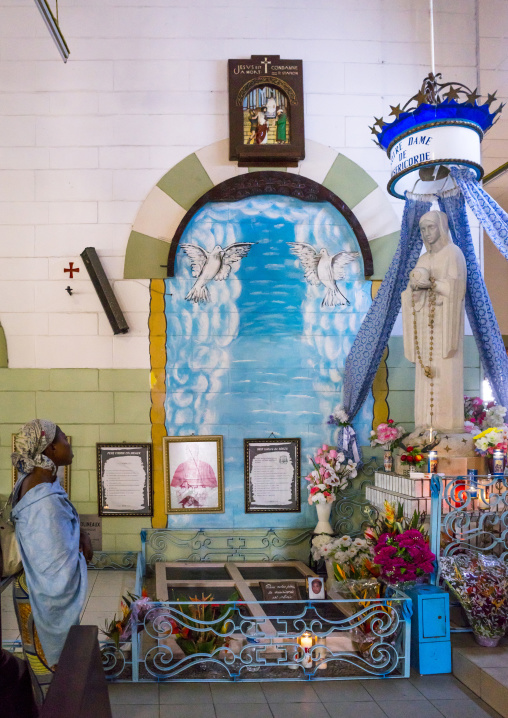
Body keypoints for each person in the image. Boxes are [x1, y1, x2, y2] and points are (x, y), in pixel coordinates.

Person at [10, 419, 92, 703]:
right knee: (52, 676)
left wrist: (79, 535)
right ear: (50, 448)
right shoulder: (43, 500)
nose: (70, 446)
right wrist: (81, 555)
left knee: (45, 670)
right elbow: (54, 575)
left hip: (30, 590)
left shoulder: (38, 483)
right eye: (65, 440)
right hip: (41, 598)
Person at [401, 211, 467, 432]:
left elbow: (456, 289)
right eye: (422, 229)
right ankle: (424, 426)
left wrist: (432, 283)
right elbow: (410, 294)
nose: (427, 233)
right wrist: (413, 289)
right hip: (424, 323)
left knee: (445, 374)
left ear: (441, 227)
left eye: (431, 227)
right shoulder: (423, 259)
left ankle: (447, 429)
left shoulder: (453, 253)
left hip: (445, 325)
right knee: (424, 374)